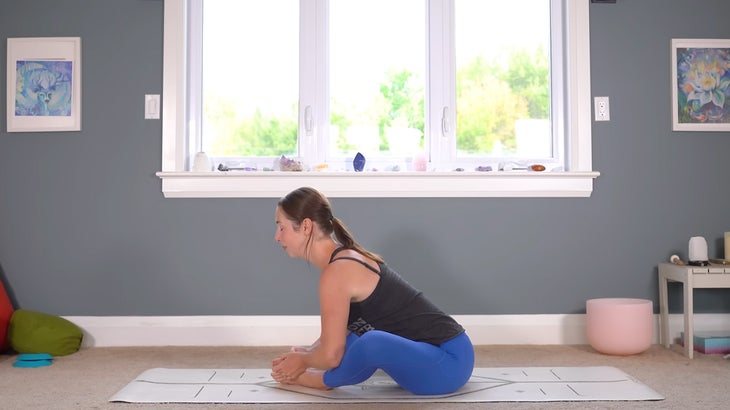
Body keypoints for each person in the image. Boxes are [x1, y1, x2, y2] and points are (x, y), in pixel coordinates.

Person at [271, 187, 474, 395]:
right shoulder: (343, 260)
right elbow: (344, 331)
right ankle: (312, 370)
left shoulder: (338, 271)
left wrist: (303, 362)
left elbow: (332, 355)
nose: (277, 237)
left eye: (281, 227)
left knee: (371, 341)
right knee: (359, 335)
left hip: (448, 363)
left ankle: (321, 381)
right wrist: (308, 353)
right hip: (427, 360)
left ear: (305, 226)